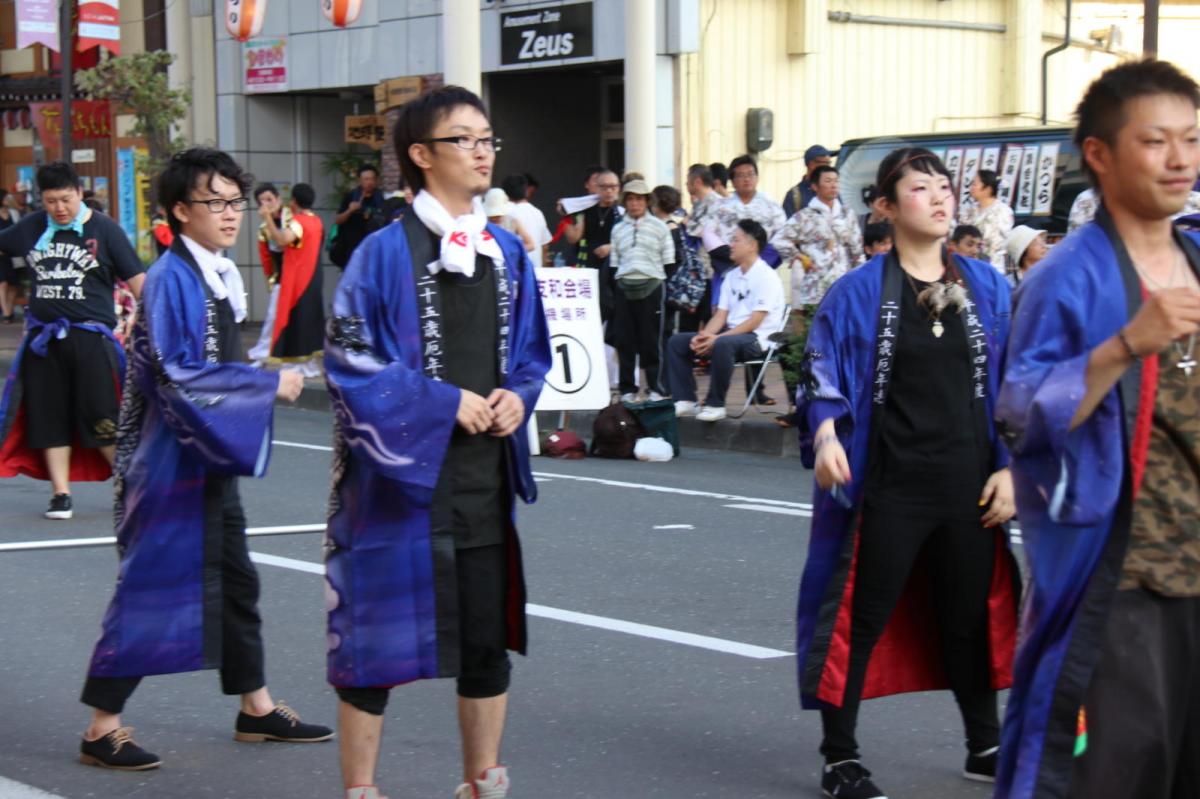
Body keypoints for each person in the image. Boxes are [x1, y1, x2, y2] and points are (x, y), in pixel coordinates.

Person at [325, 85, 551, 799]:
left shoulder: (507, 251)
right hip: (397, 485)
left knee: (486, 647)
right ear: (420, 156)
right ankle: (362, 788)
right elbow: (348, 356)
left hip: (482, 481)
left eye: (488, 138)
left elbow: (533, 351)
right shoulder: (380, 252)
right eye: (464, 138)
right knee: (374, 647)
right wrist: (442, 401)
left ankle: (482, 782)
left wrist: (519, 391)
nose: (482, 150)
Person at [77, 148, 331, 771]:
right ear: (178, 212)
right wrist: (267, 386)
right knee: (150, 586)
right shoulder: (172, 278)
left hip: (202, 453)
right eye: (213, 202)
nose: (229, 214)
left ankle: (256, 707)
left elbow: (207, 368)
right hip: (164, 462)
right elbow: (175, 373)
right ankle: (100, 725)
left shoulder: (210, 272)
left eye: (233, 201)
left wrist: (252, 381)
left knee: (237, 583)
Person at [995, 59, 1200, 799]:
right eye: (1156, 141)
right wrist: (1124, 344)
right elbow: (1020, 414)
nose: (1179, 160)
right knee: (1113, 773)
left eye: (1192, 139)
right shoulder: (1066, 276)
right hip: (1123, 579)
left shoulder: (1197, 253)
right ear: (1101, 154)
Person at [795, 147, 1020, 799]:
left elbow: (1016, 386)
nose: (941, 197)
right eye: (920, 188)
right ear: (887, 208)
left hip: (969, 484)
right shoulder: (857, 290)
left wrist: (1010, 470)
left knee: (967, 615)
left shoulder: (990, 286)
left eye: (945, 186)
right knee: (858, 619)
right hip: (887, 486)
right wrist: (826, 429)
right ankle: (840, 757)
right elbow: (808, 360)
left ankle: (986, 743)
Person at [0, 161, 145, 520]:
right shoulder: (31, 227)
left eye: (65, 199)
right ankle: (60, 494)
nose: (59, 208)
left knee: (102, 416)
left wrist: (146, 321)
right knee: (48, 417)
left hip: (91, 338)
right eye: (51, 201)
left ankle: (131, 486)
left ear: (79, 193)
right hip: (43, 341)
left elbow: (139, 281)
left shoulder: (105, 230)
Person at [665, 219, 784, 423]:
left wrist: (716, 339)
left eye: (735, 240)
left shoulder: (766, 276)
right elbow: (720, 315)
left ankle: (715, 404)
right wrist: (705, 336)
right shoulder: (731, 276)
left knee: (722, 343)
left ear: (752, 245)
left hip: (759, 339)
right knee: (677, 342)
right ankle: (685, 399)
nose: (730, 245)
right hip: (732, 335)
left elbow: (755, 322)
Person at [610, 179, 674, 402]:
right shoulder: (618, 229)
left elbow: (669, 262)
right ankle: (628, 389)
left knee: (652, 340)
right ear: (625, 201)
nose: (634, 203)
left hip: (653, 284)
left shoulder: (659, 227)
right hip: (624, 285)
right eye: (630, 198)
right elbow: (614, 264)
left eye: (639, 198)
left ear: (647, 201)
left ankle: (656, 387)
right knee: (625, 341)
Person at [771, 164, 863, 310]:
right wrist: (799, 257)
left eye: (836, 181)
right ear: (815, 186)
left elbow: (857, 250)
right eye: (828, 181)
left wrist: (859, 279)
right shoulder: (805, 216)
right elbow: (779, 240)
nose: (833, 185)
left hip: (844, 283)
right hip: (815, 287)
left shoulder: (847, 214)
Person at [259, 182, 325, 377]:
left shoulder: (298, 222)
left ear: (294, 201)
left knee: (295, 321)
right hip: (313, 277)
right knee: (309, 321)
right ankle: (309, 365)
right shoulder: (317, 221)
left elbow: (281, 240)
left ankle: (297, 364)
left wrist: (267, 218)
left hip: (298, 280)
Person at [711, 155, 787, 303]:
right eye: (740, 175)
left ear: (757, 178)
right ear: (732, 181)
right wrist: (728, 257)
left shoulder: (770, 204)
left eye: (750, 174)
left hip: (761, 267)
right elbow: (710, 236)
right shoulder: (720, 207)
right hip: (727, 267)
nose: (746, 179)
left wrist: (759, 261)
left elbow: (783, 235)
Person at [247, 182, 287, 366]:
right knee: (273, 315)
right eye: (261, 201)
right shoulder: (264, 227)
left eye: (269, 199)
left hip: (300, 276)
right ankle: (263, 355)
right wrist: (271, 279)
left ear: (278, 199)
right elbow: (267, 258)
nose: (266, 205)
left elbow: (283, 242)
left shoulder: (290, 219)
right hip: (282, 277)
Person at [958, 169, 1014, 274]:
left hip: (992, 267)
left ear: (987, 189)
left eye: (975, 184)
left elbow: (997, 243)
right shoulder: (970, 210)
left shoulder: (1002, 211)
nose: (971, 188)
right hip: (969, 266)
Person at [331, 163, 384, 268]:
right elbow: (338, 220)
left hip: (374, 247)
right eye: (366, 179)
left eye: (372, 179)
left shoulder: (381, 198)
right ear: (359, 180)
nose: (369, 182)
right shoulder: (351, 196)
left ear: (377, 180)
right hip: (352, 248)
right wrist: (350, 210)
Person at [502, 174, 551, 267]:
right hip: (535, 271)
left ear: (504, 192)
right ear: (526, 190)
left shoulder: (504, 212)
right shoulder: (538, 213)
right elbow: (545, 246)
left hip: (514, 271)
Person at [782, 144, 833, 218]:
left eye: (829, 163)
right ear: (811, 165)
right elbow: (786, 227)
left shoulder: (833, 191)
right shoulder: (795, 195)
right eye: (825, 163)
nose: (828, 167)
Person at [484, 187, 537, 254]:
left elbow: (531, 245)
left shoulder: (512, 221)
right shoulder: (482, 222)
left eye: (498, 216)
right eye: (492, 216)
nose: (495, 219)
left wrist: (511, 252)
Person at [0, 188, 20, 322]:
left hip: (11, 253)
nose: (8, 200)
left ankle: (10, 309)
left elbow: (19, 230)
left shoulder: (14, 213)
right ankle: (6, 313)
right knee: (2, 283)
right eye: (6, 198)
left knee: (14, 284)